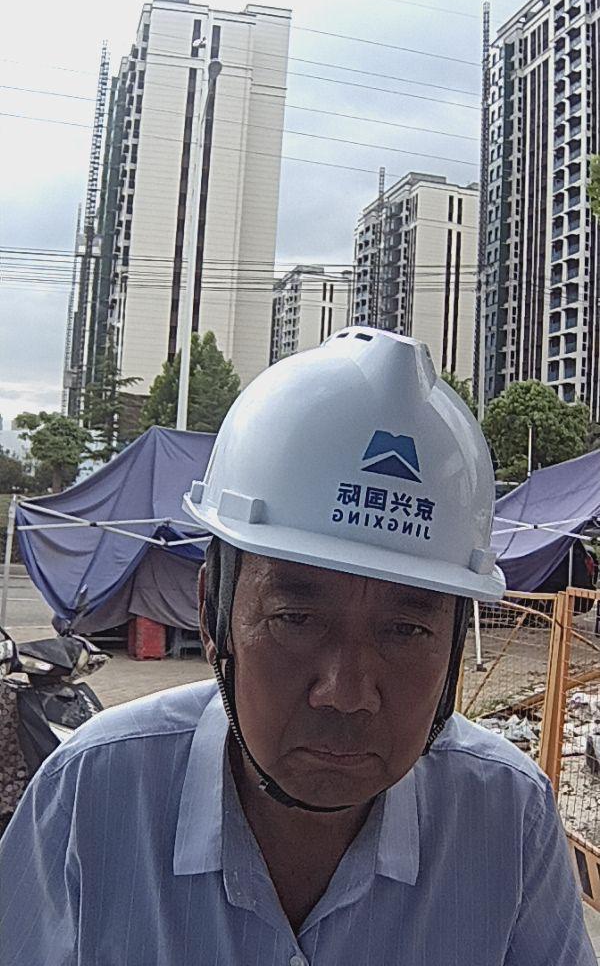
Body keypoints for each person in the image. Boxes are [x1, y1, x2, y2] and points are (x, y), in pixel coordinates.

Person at [0, 327, 594, 965]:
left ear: (452, 643)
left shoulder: (507, 818)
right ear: (212, 612)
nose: (347, 694)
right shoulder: (93, 794)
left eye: (406, 629)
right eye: (296, 618)